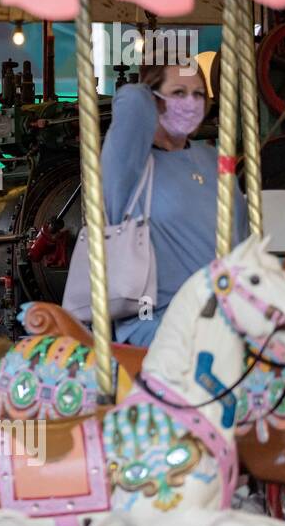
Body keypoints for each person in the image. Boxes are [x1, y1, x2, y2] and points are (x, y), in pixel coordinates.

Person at [101, 61, 248, 346]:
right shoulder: (129, 165)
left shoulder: (209, 158)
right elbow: (132, 101)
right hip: (155, 317)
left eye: (198, 94)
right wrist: (151, 81)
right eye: (178, 93)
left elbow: (240, 234)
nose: (191, 103)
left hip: (224, 310)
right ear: (154, 101)